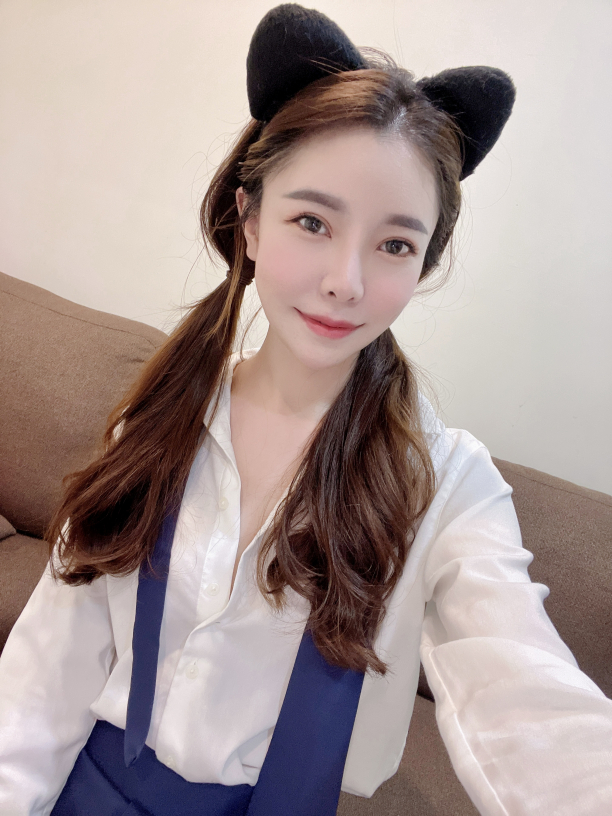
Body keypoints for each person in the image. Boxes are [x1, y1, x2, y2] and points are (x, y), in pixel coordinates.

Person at [1, 4, 611, 815]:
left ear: (423, 263)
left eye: (394, 244)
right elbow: (47, 673)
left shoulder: (445, 486)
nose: (345, 282)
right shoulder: (157, 421)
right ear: (251, 221)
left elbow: (527, 693)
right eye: (312, 221)